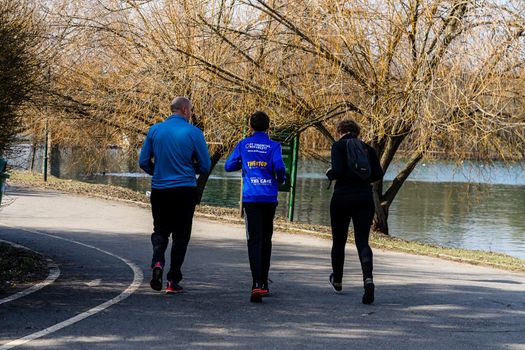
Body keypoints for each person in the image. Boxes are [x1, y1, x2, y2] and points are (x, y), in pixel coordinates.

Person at [139, 96, 211, 294]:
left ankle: (158, 263)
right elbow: (205, 165)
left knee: (160, 231)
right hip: (185, 190)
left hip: (160, 190)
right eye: (191, 110)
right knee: (181, 236)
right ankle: (172, 281)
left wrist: (159, 171)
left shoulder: (155, 130)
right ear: (186, 110)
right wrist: (189, 168)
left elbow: (143, 161)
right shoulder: (194, 132)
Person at [224, 111, 286, 303]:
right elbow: (279, 168)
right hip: (268, 197)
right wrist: (280, 179)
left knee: (254, 240)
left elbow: (228, 165)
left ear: (250, 127)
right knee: (266, 239)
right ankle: (264, 283)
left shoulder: (243, 144)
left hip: (251, 197)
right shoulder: (274, 145)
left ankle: (256, 284)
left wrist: (245, 165)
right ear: (269, 127)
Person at [326, 119, 383, 304]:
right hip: (364, 198)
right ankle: (368, 280)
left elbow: (339, 170)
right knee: (362, 242)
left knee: (339, 241)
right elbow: (378, 175)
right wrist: (361, 177)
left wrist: (332, 174)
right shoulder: (368, 149)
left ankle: (338, 281)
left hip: (342, 197)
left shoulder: (338, 147)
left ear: (339, 131)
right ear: (357, 132)